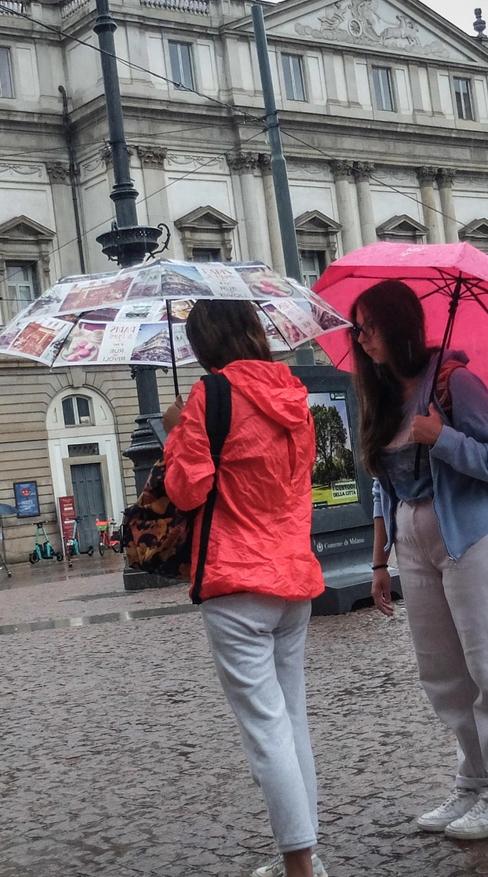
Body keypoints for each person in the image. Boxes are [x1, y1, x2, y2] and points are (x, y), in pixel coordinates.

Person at [351, 280, 488, 841]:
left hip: (471, 534)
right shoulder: (384, 396)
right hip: (413, 540)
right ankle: (476, 781)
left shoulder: (458, 383)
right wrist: (380, 559)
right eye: (357, 329)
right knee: (444, 675)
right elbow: (385, 485)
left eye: (369, 327)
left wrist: (443, 438)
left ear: (398, 326)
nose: (362, 339)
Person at [162, 300, 328, 877]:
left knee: (265, 730)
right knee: (292, 720)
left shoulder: (211, 395)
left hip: (237, 581)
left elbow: (187, 491)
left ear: (205, 346)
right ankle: (310, 853)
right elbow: (295, 480)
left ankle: (299, 865)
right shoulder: (294, 395)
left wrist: (176, 432)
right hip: (294, 579)